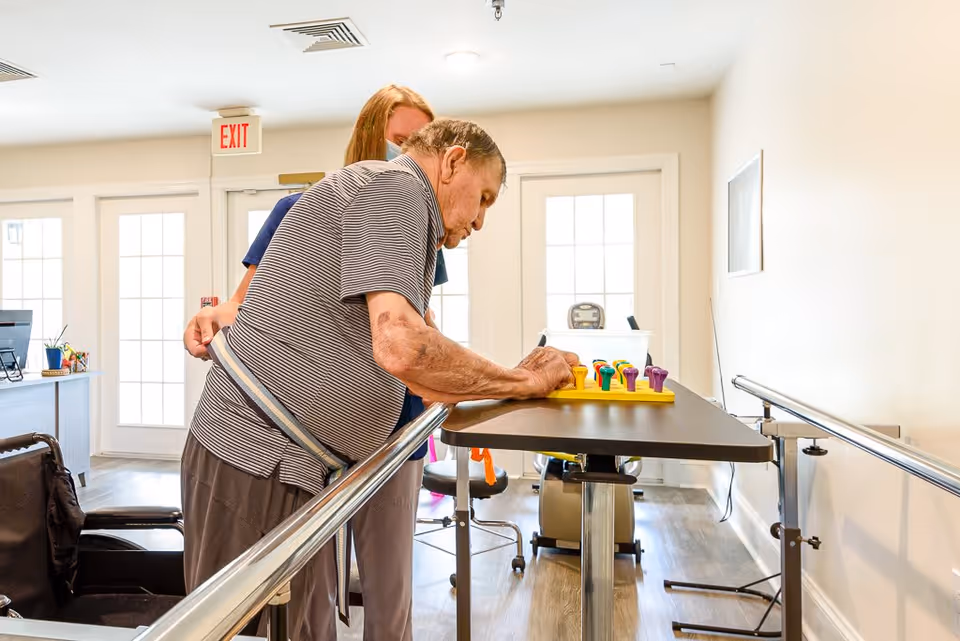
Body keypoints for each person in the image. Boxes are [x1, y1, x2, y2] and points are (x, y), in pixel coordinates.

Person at [182, 117, 577, 641]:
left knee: (306, 631)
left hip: (302, 470)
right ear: (453, 161)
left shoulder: (403, 216)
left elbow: (427, 367)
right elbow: (403, 347)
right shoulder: (397, 187)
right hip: (254, 457)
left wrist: (513, 377)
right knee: (232, 633)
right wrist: (523, 381)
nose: (480, 221)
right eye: (483, 197)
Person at [184, 84, 442, 465]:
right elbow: (246, 304)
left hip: (395, 418)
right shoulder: (300, 209)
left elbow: (421, 322)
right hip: (313, 422)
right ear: (369, 138)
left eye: (419, 147)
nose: (407, 157)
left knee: (387, 525)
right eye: (399, 142)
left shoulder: (419, 227)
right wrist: (212, 316)